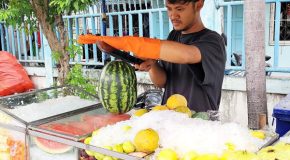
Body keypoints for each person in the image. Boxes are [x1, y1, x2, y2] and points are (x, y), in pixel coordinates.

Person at [77, 0, 226, 112]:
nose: (173, 15)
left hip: (200, 125)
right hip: (169, 121)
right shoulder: (173, 36)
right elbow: (162, 82)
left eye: (180, 9)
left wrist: (131, 43)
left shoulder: (212, 41)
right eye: (169, 9)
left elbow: (188, 54)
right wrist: (152, 64)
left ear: (198, 4)